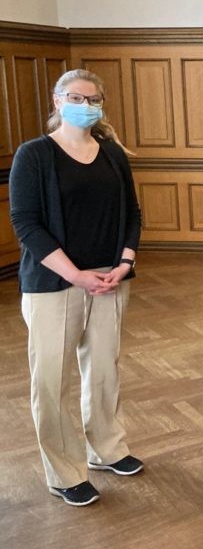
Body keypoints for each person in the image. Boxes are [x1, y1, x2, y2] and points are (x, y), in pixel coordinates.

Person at [9, 69, 143, 507]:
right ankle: (65, 472)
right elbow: (26, 224)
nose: (86, 105)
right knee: (51, 380)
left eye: (94, 98)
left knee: (104, 371)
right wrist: (75, 274)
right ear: (57, 102)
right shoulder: (34, 155)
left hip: (109, 279)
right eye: (76, 97)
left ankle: (106, 448)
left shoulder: (112, 154)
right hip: (54, 284)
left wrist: (124, 262)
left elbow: (133, 215)